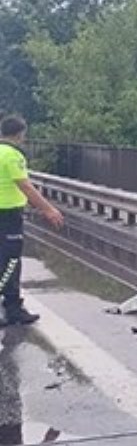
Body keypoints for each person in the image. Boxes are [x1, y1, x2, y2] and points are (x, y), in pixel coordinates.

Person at [1, 115, 65, 326]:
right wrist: (48, 209)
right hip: (8, 215)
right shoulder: (12, 155)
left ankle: (10, 306)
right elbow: (25, 186)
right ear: (21, 134)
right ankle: (12, 308)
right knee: (10, 261)